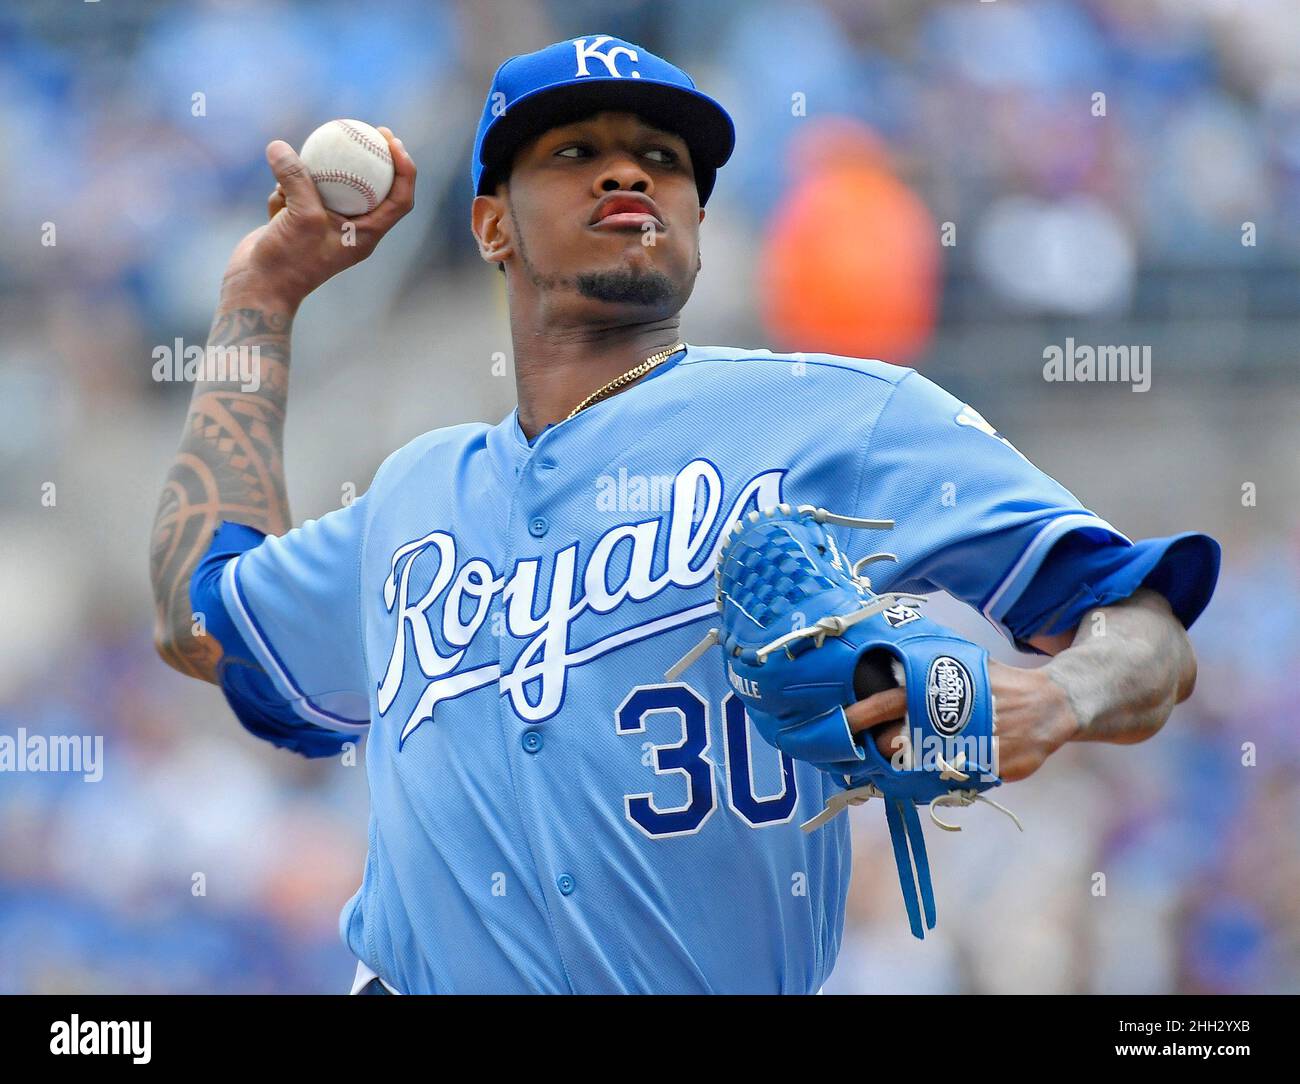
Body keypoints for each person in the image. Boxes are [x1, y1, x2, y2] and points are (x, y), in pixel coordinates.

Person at [149, 35, 1219, 994]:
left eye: (663, 159)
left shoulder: (840, 414)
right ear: (490, 225)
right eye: (571, 152)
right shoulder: (413, 495)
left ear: (698, 224)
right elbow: (200, 618)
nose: (628, 170)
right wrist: (264, 292)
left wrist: (1055, 697)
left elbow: (1145, 633)